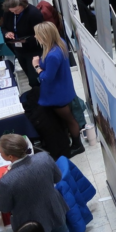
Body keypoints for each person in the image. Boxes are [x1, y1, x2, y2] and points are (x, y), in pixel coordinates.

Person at [0, 134, 71, 232]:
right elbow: (58, 178)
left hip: (30, 227)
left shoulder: (6, 181)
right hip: (54, 211)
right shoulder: (44, 157)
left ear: (10, 157)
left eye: (0, 152)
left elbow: (4, 208)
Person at [32, 21, 85, 159]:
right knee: (67, 118)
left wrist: (37, 66)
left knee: (69, 119)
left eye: (37, 35)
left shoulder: (52, 55)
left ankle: (77, 145)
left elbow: (47, 77)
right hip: (63, 88)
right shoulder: (60, 42)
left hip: (57, 94)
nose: (35, 37)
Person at [2, 0, 44, 88]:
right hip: (19, 50)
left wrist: (25, 40)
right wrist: (7, 33)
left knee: (35, 79)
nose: (14, 13)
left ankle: (40, 95)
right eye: (12, 11)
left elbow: (41, 34)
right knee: (28, 74)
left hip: (34, 50)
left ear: (23, 5)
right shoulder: (8, 12)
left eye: (17, 10)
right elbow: (3, 27)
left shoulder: (34, 14)